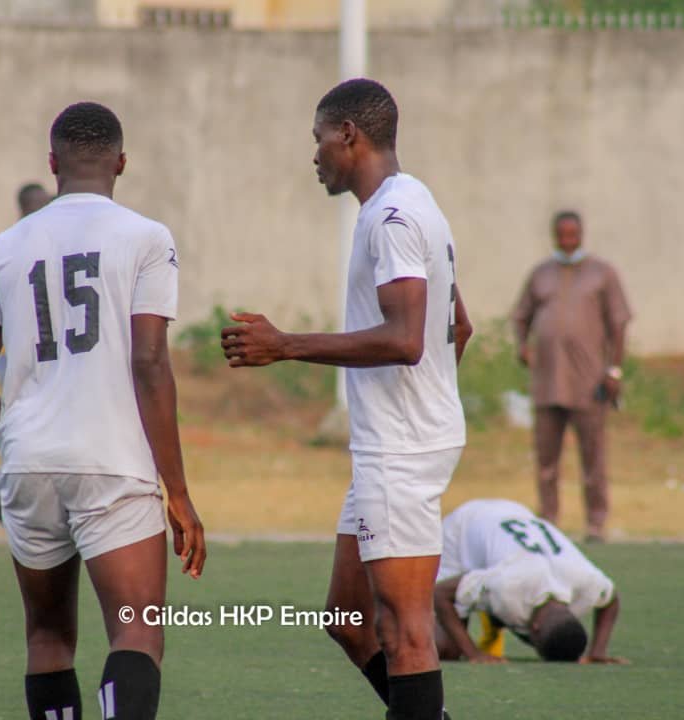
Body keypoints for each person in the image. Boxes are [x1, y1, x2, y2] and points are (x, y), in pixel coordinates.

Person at [222, 78, 471, 720]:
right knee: (348, 618)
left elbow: (406, 339)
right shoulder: (412, 201)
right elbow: (459, 326)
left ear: (348, 135)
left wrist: (285, 345)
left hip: (400, 449)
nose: (315, 155)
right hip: (398, 440)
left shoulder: (392, 217)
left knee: (406, 633)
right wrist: (428, 401)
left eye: (319, 139)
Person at [0, 102, 205, 720]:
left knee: (47, 639)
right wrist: (177, 490)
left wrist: (13, 440)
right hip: (110, 459)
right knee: (136, 631)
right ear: (121, 163)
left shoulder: (3, 246)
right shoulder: (146, 236)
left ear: (52, 163)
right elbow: (150, 360)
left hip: (28, 463)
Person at [511, 210, 632, 542]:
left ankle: (596, 523)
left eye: (572, 235)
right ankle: (548, 521)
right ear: (554, 236)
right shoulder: (541, 274)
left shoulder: (602, 273)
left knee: (593, 458)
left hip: (588, 382)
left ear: (581, 235)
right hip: (548, 382)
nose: (567, 241)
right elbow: (520, 316)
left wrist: (614, 369)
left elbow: (619, 323)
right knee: (546, 460)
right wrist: (522, 346)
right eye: (561, 235)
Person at [432, 498, 625, 665]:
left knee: (498, 599)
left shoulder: (587, 584)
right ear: (535, 628)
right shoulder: (509, 585)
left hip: (513, 513)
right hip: (463, 527)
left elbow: (611, 599)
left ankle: (490, 609)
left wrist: (597, 652)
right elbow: (440, 594)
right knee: (447, 649)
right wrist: (473, 653)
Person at [0, 181, 53, 526]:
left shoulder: (36, 242)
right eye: (39, 205)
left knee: (38, 425)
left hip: (38, 352)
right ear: (25, 208)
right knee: (33, 425)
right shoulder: (12, 248)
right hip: (15, 354)